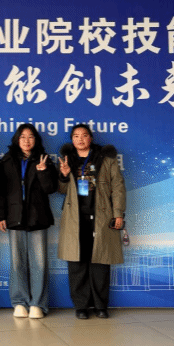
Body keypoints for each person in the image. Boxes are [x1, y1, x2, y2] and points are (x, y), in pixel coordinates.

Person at [57, 124, 126, 319]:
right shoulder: (67, 159)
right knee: (77, 263)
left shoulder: (106, 159)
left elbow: (118, 187)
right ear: (72, 140)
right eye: (76, 136)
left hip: (101, 217)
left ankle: (100, 306)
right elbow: (61, 190)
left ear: (91, 138)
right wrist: (63, 175)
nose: (80, 139)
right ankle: (81, 306)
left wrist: (118, 213)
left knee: (100, 262)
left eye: (84, 135)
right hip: (75, 217)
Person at [0, 124, 58, 319]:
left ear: (36, 140)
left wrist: (43, 172)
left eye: (30, 137)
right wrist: (1, 216)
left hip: (37, 216)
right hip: (14, 216)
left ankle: (38, 304)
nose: (26, 140)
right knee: (17, 262)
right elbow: (0, 192)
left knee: (39, 263)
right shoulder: (7, 160)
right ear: (17, 139)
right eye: (22, 137)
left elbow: (51, 188)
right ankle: (19, 302)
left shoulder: (44, 159)